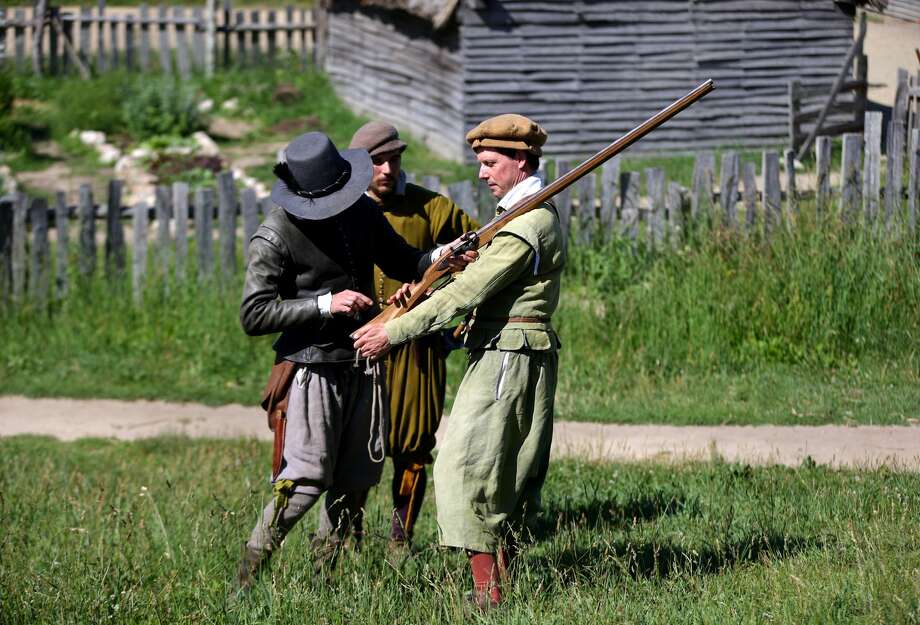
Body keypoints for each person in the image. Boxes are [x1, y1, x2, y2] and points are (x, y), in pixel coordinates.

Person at [234, 131, 474, 591]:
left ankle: (325, 583)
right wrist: (325, 304)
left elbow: (407, 260)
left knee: (356, 478)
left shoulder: (362, 211)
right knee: (305, 480)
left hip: (362, 362)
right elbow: (254, 312)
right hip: (310, 367)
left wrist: (445, 255)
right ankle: (244, 584)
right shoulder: (274, 234)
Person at [353, 114, 564, 609]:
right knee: (493, 472)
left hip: (509, 358)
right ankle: (497, 588)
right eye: (481, 163)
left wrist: (393, 331)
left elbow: (470, 291)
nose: (483, 173)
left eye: (491, 163)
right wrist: (425, 283)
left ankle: (488, 595)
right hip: (500, 352)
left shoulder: (528, 223)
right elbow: (461, 277)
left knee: (465, 470)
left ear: (521, 161)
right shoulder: (514, 216)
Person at [348, 121, 478, 547]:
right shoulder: (341, 211)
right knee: (354, 452)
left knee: (413, 450)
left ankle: (399, 540)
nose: (387, 169)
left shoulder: (431, 209)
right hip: (356, 349)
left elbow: (480, 251)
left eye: (394, 159)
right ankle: (345, 539)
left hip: (416, 351)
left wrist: (437, 294)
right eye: (376, 161)